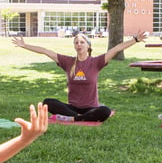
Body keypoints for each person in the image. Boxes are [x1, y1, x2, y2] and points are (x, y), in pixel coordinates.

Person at [12, 30, 149, 122]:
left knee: (105, 111)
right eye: (76, 43)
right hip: (72, 108)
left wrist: (135, 39)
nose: (79, 45)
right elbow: (45, 51)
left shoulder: (96, 62)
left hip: (91, 107)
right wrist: (24, 45)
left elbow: (116, 49)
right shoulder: (68, 62)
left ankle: (76, 118)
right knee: (48, 102)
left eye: (82, 42)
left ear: (88, 46)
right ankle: (79, 117)